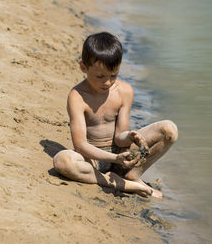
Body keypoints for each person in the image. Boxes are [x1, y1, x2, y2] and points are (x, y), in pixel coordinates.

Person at [53, 32, 178, 198]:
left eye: (113, 75)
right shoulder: (77, 96)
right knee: (63, 161)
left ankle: (133, 175)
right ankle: (122, 184)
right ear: (83, 67)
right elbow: (80, 145)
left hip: (121, 154)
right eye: (100, 76)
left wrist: (131, 136)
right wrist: (114, 158)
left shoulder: (124, 91)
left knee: (169, 129)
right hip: (93, 160)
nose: (107, 82)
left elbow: (119, 137)